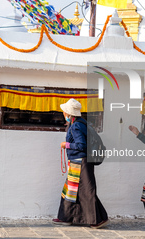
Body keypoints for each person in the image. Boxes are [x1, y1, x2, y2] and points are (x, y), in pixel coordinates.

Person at [52, 98, 109, 229]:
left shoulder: (76, 125)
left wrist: (65, 144)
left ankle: (98, 220)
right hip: (79, 162)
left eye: (64, 112)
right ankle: (66, 217)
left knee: (86, 192)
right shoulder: (81, 123)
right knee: (72, 190)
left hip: (81, 163)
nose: (63, 114)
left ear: (68, 113)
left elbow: (81, 145)